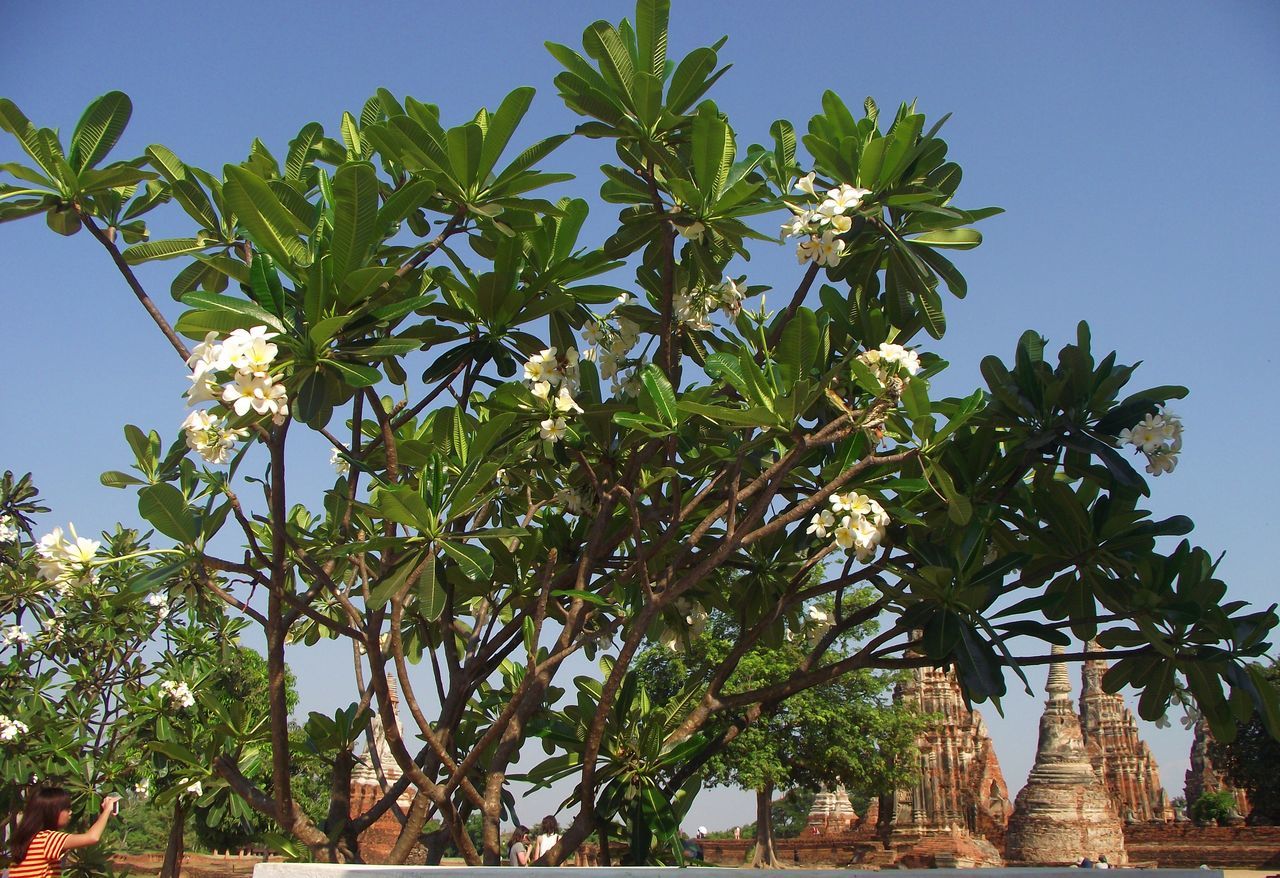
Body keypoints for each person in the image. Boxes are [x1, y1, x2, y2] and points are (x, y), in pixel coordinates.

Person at [8, 786, 119, 878]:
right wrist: (107, 810)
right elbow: (92, 837)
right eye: (66, 809)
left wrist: (104, 817)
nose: (70, 812)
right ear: (52, 812)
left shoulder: (32, 839)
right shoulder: (47, 839)